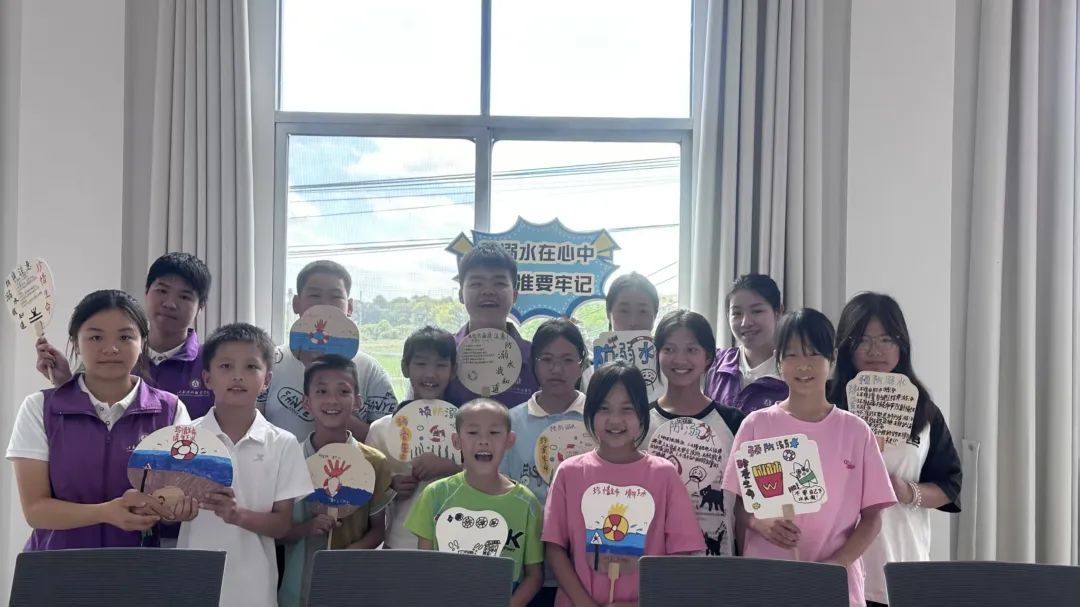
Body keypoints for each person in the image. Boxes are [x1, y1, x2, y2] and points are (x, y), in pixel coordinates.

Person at [721, 308, 896, 607]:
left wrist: (837, 565)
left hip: (836, 586)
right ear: (778, 361)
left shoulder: (856, 431)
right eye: (791, 355)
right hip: (767, 583)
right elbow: (739, 505)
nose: (803, 365)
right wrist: (760, 523)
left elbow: (872, 519)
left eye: (814, 353)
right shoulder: (756, 425)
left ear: (833, 358)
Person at [7, 290, 195, 550]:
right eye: (96, 337)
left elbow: (177, 493)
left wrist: (176, 509)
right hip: (55, 568)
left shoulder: (171, 411)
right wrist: (106, 513)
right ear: (75, 343)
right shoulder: (39, 408)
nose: (111, 348)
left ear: (143, 342)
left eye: (125, 337)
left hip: (137, 568)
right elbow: (35, 510)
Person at [827, 293, 962, 607]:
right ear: (845, 347)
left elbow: (949, 486)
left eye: (886, 339)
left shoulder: (924, 410)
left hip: (900, 562)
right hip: (836, 563)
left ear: (902, 344)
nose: (875, 351)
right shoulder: (825, 402)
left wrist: (907, 491)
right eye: (862, 340)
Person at [543, 361, 704, 607]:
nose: (615, 420)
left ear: (641, 415)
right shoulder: (569, 472)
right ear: (590, 412)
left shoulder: (664, 474)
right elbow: (554, 548)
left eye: (627, 409)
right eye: (604, 408)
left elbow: (681, 553)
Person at [177, 323, 313, 607]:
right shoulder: (184, 439)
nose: (238, 375)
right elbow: (168, 511)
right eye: (226, 366)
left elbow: (282, 525)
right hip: (192, 585)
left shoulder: (283, 444)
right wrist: (171, 510)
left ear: (267, 380)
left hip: (254, 591)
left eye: (251, 367)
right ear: (207, 378)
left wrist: (236, 515)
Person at [35, 252, 216, 417]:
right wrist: (65, 382)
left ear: (201, 306)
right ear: (146, 291)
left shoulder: (213, 363)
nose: (170, 303)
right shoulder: (115, 354)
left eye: (184, 297)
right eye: (162, 291)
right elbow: (90, 417)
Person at [405, 399, 544, 607]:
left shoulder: (527, 504)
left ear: (510, 440)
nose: (483, 441)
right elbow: (425, 566)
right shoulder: (435, 495)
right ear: (456, 440)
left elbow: (534, 575)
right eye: (472, 432)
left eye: (494, 432)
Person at [279, 354, 393, 607]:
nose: (332, 400)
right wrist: (305, 529)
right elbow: (277, 532)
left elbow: (378, 530)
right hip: (297, 590)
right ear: (307, 402)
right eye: (321, 391)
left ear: (357, 402)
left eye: (343, 391)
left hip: (351, 588)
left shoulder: (374, 462)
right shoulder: (289, 458)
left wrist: (347, 555)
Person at [501, 318, 589, 607]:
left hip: (586, 569)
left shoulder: (598, 419)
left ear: (582, 364)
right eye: (547, 359)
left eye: (567, 360)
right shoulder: (510, 421)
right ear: (534, 364)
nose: (557, 369)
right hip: (526, 567)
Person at [259, 260, 398, 443]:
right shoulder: (270, 361)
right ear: (296, 304)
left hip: (351, 462)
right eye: (314, 295)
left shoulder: (369, 369)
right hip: (282, 461)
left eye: (335, 297)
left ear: (349, 307)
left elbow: (389, 442)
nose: (324, 304)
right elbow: (251, 428)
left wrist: (335, 409)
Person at [644, 310, 744, 557]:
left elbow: (743, 506)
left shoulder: (734, 422)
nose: (680, 359)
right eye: (669, 349)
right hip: (654, 562)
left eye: (691, 349)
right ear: (657, 354)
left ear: (708, 356)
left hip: (718, 564)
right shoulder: (640, 421)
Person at [367, 325, 460, 550]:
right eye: (421, 364)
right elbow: (367, 493)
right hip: (399, 543)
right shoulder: (381, 429)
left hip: (455, 544)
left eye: (441, 365)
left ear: (453, 370)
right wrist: (390, 488)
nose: (430, 374)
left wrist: (451, 467)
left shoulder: (468, 428)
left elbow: (491, 476)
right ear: (405, 367)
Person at [443, 242, 539, 407]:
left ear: (514, 295)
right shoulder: (441, 354)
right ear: (461, 295)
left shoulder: (536, 359)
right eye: (476, 283)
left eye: (499, 283)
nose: (488, 291)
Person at [704, 273, 788, 414]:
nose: (745, 323)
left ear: (778, 312)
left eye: (756, 311)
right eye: (737, 313)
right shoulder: (715, 364)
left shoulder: (795, 371)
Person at [580, 272, 662, 390]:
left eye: (643, 311)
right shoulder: (592, 375)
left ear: (655, 314)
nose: (633, 322)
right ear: (608, 314)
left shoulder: (668, 369)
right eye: (624, 311)